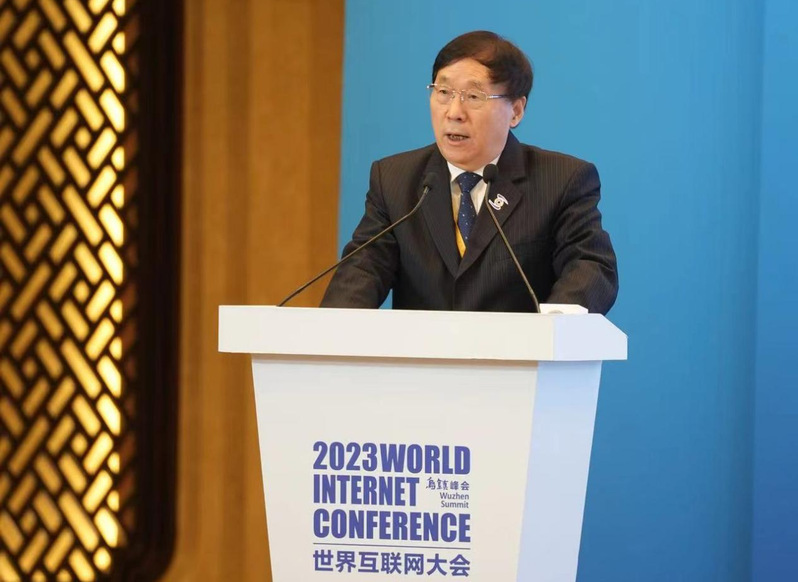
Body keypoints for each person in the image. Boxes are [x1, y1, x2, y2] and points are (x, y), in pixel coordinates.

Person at [321, 31, 618, 314]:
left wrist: (554, 329)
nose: (454, 112)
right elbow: (362, 270)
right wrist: (331, 332)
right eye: (443, 92)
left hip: (518, 350)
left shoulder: (561, 180)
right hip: (423, 351)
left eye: (474, 97)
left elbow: (590, 266)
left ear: (516, 111)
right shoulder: (394, 180)